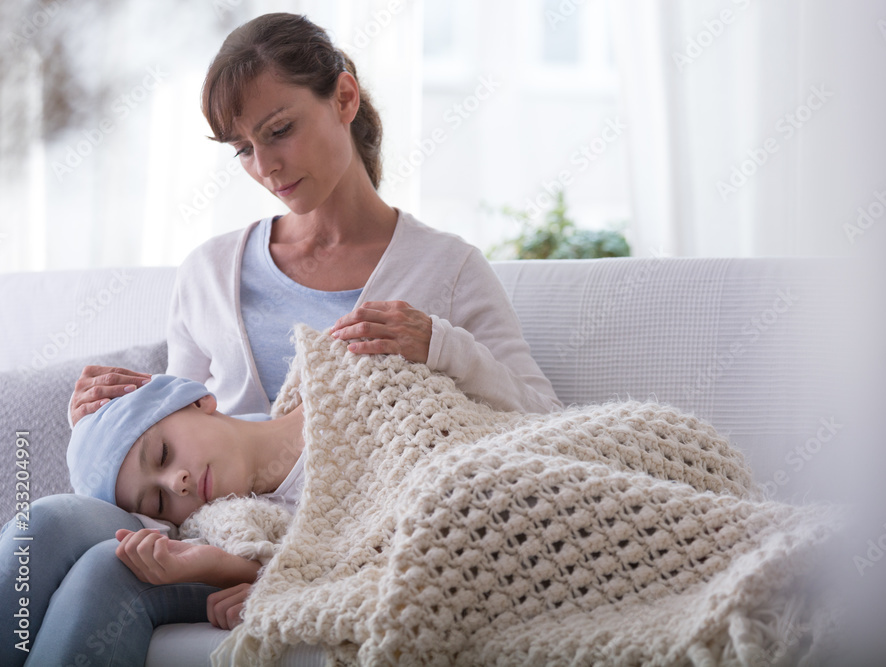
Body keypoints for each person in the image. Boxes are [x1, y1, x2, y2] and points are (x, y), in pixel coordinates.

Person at [1, 12, 559, 667]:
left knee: (107, 573)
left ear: (343, 98)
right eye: (242, 149)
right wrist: (101, 427)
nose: (265, 166)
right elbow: (170, 457)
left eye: (279, 130)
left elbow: (542, 420)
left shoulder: (446, 269)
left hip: (313, 540)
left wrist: (440, 344)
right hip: (201, 523)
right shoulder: (211, 270)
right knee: (41, 527)